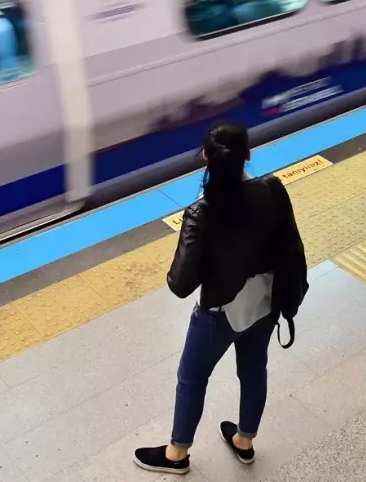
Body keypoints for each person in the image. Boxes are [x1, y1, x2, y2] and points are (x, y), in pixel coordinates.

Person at [135, 122, 307, 476]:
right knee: (254, 369)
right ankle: (244, 441)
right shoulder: (273, 189)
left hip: (218, 314)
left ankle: (176, 454)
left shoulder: (202, 212)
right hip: (266, 304)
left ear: (205, 158)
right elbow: (291, 244)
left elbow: (181, 284)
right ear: (247, 155)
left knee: (192, 378)